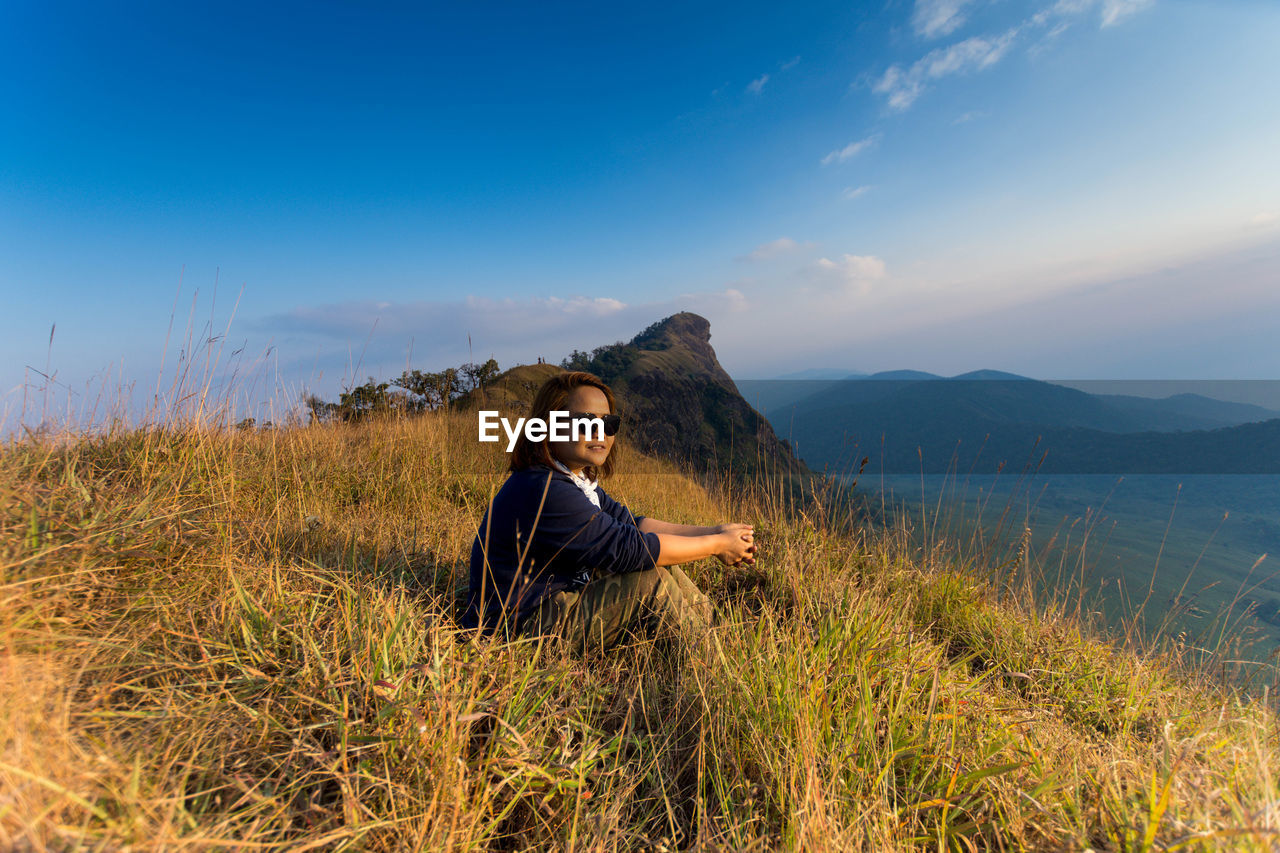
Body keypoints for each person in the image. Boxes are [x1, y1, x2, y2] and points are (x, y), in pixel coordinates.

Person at [459, 371, 756, 650]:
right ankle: (714, 665)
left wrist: (715, 532)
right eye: (586, 421)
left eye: (608, 423)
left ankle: (723, 638)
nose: (600, 432)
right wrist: (716, 545)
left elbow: (633, 525)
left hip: (549, 604)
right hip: (515, 630)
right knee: (651, 581)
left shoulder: (574, 480)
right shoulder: (544, 488)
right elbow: (627, 549)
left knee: (661, 563)